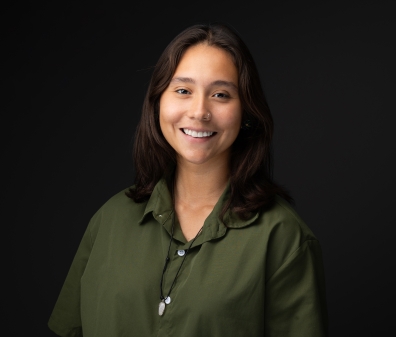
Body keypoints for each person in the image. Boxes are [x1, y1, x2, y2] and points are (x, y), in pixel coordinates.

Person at [48, 23, 328, 337]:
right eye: (183, 90)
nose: (199, 112)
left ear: (247, 112)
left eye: (221, 95)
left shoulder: (283, 237)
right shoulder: (110, 219)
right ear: (158, 101)